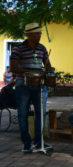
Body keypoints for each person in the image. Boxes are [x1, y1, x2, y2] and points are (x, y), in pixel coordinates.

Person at [10, 22, 53, 153]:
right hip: (22, 85)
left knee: (41, 114)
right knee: (22, 114)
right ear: (29, 35)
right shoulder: (18, 49)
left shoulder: (42, 48)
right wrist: (31, 72)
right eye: (37, 33)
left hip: (39, 86)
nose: (40, 35)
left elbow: (48, 65)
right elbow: (14, 68)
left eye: (40, 33)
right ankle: (27, 144)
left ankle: (39, 143)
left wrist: (49, 72)